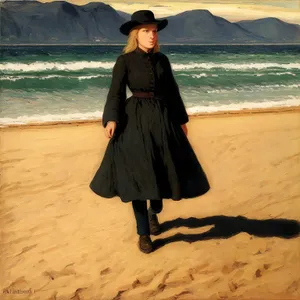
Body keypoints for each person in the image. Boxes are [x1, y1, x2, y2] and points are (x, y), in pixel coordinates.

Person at [89, 10, 210, 254]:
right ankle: (143, 234)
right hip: (133, 120)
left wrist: (181, 120)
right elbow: (115, 92)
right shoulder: (124, 61)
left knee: (161, 170)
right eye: (146, 31)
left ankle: (154, 211)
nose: (152, 36)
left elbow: (173, 91)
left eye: (154, 31)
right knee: (137, 178)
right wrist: (111, 118)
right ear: (136, 34)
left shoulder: (162, 60)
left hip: (163, 119)